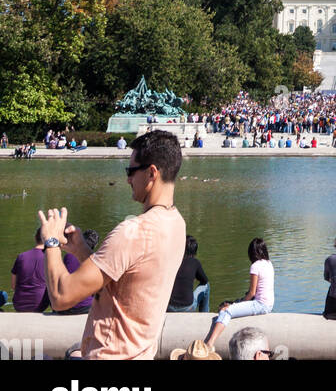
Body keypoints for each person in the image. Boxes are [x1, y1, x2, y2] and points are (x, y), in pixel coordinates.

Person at [38, 129, 186, 359]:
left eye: (131, 171)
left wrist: (51, 241)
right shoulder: (177, 224)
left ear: (151, 173)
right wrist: (81, 250)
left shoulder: (133, 232)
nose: (127, 179)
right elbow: (124, 285)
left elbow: (60, 296)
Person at [203, 238, 274, 349]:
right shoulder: (269, 264)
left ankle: (210, 343)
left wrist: (236, 305)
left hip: (260, 304)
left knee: (226, 311)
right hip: (269, 304)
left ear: (252, 253)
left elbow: (252, 293)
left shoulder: (255, 266)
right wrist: (239, 302)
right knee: (234, 304)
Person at [168, 235, 210, 313]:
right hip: (187, 308)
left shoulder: (172, 260)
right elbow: (204, 280)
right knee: (206, 286)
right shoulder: (195, 262)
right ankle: (204, 314)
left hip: (169, 307)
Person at [10, 229, 48, 313]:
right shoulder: (49, 258)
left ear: (35, 238)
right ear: (47, 240)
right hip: (41, 304)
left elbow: (13, 286)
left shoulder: (21, 256)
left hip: (19, 304)